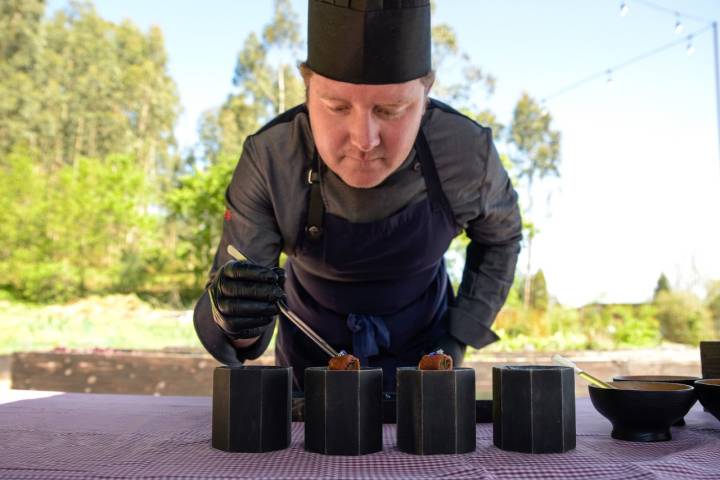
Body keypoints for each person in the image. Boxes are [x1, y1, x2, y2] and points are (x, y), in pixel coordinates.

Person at [194, 0, 521, 392]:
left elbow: (501, 239)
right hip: (308, 365)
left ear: (426, 93)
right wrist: (237, 316)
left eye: (391, 109)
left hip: (429, 362)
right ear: (307, 87)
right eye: (336, 106)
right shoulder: (271, 159)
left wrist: (459, 334)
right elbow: (236, 327)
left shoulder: (466, 153)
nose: (364, 140)